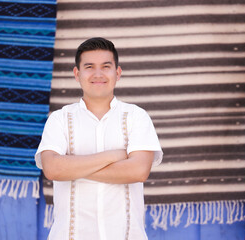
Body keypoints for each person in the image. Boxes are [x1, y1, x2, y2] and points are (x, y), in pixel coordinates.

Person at [35, 37, 163, 240]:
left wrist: (73, 168)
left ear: (117, 73)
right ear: (77, 74)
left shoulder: (136, 116)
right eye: (89, 67)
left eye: (105, 66)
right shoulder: (59, 119)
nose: (98, 74)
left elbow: (138, 171)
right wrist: (114, 155)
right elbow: (53, 169)